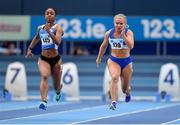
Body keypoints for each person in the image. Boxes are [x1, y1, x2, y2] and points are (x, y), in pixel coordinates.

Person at [26, 8, 64, 110]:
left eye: (52, 13)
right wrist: (30, 49)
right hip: (44, 59)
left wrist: (49, 32)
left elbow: (58, 42)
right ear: (45, 16)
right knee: (44, 76)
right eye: (47, 13)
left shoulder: (58, 28)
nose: (49, 15)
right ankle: (44, 101)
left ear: (55, 16)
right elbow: (36, 38)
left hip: (56, 59)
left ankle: (58, 90)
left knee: (56, 85)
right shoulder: (40, 28)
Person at [96, 13, 134, 110]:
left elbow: (131, 46)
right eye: (117, 23)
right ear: (114, 23)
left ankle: (128, 91)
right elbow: (103, 46)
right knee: (114, 77)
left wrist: (123, 36)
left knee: (124, 88)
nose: (119, 26)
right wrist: (99, 57)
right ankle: (113, 102)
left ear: (125, 24)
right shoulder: (109, 33)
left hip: (126, 61)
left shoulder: (129, 33)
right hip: (114, 60)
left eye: (121, 24)